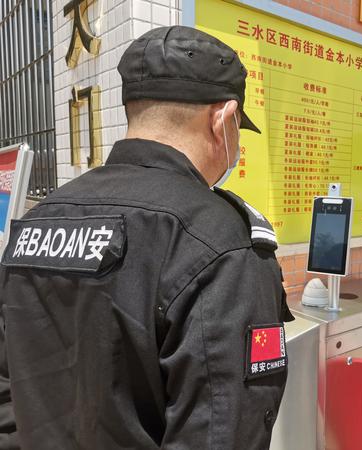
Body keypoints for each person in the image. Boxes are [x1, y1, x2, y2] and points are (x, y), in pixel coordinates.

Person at [0, 25, 293, 450]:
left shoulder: (36, 222)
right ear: (222, 119)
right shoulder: (220, 242)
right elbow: (221, 433)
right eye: (238, 131)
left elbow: (7, 391)